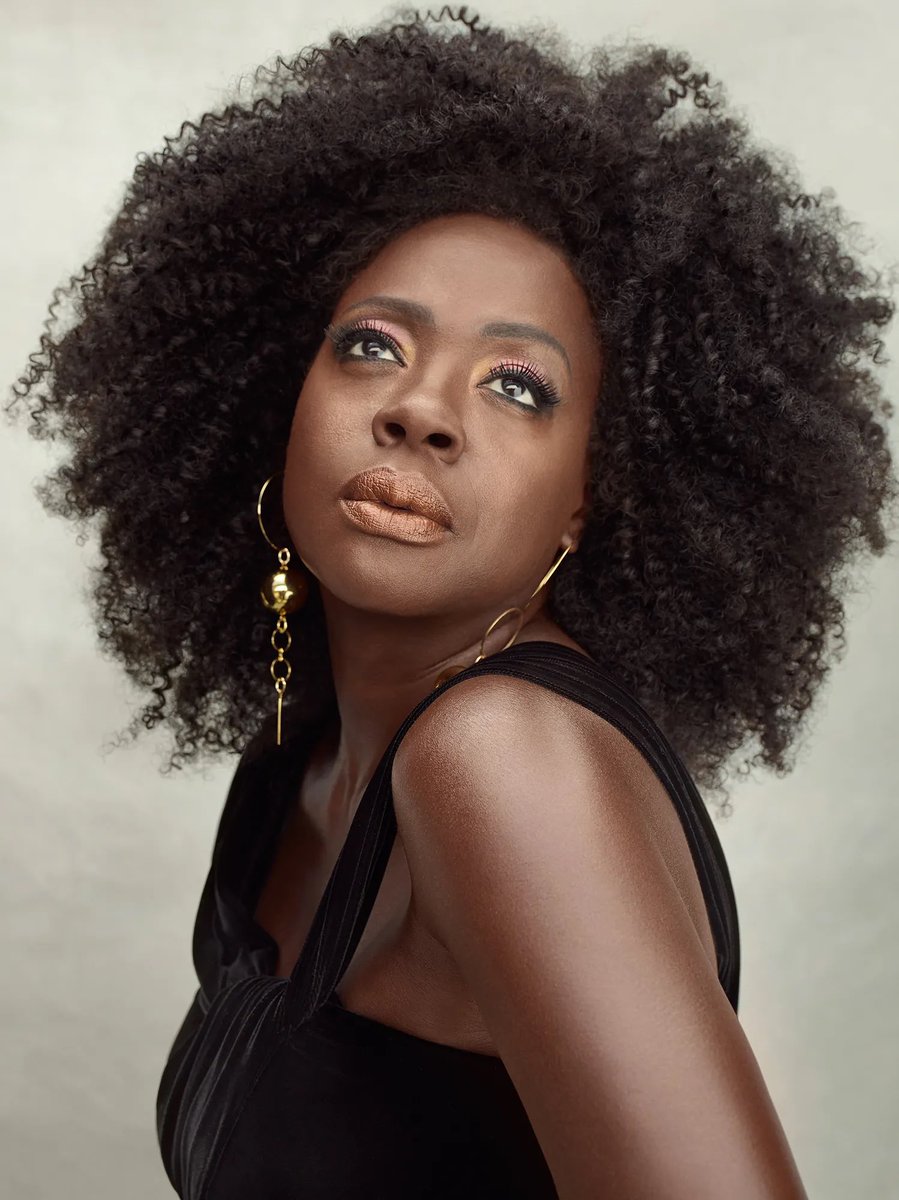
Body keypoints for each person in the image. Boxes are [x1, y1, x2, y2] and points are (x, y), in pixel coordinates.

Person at [8, 6, 896, 1197]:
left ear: (587, 498)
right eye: (372, 346)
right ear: (280, 395)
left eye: (516, 385)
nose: (420, 410)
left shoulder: (498, 758)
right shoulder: (304, 744)